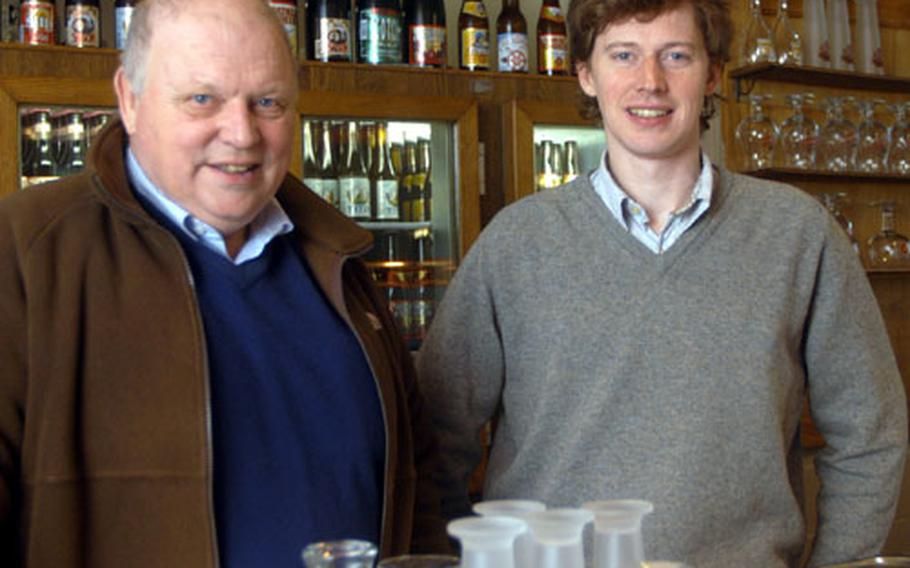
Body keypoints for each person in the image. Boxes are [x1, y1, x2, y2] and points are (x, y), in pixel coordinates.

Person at [416, 0, 908, 566]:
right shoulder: (516, 243)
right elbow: (431, 441)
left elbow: (870, 432)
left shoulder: (798, 234)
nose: (650, 82)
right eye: (623, 55)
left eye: (676, 55)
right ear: (585, 74)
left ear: (714, 73)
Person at [0, 0, 445, 565]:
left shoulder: (341, 261)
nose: (241, 134)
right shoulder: (25, 253)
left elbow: (418, 488)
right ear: (129, 100)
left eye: (268, 102)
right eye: (202, 99)